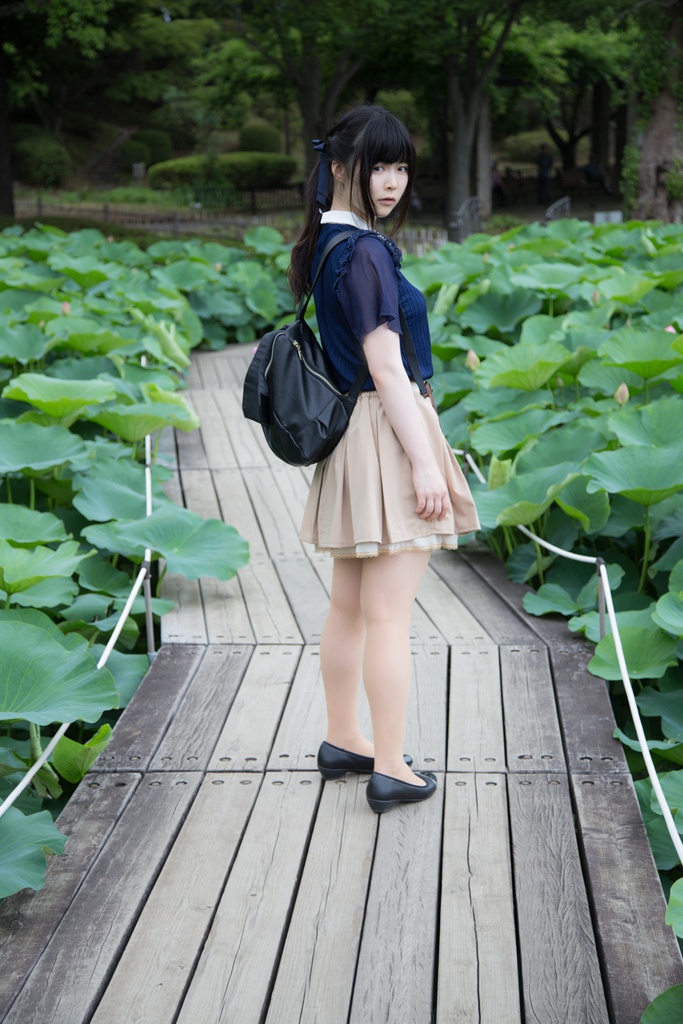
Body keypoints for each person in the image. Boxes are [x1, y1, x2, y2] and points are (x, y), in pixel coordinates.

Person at [289, 105, 479, 814]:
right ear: (339, 168)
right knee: (388, 616)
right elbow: (388, 368)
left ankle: (344, 738)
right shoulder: (366, 251)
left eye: (401, 166)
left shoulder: (327, 243)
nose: (392, 180)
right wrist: (424, 463)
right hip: (386, 432)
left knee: (349, 605)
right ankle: (391, 765)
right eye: (378, 165)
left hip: (349, 437)